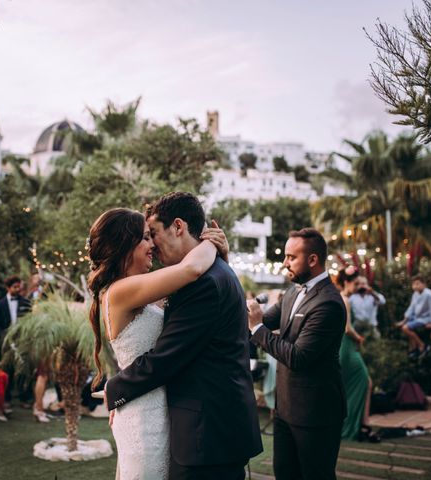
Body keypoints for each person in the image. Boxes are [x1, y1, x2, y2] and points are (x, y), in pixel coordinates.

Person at [102, 193, 263, 480]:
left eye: (153, 234)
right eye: (144, 238)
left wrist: (115, 389)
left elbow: (167, 357)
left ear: (178, 227)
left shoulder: (203, 283)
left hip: (208, 433)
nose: (151, 244)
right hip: (195, 426)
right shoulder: (209, 273)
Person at [247, 228, 346, 480]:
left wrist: (256, 328)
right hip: (285, 409)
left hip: (316, 412)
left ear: (312, 260)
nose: (284, 263)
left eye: (291, 257)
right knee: (285, 473)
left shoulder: (329, 303)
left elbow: (298, 357)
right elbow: (264, 322)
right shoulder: (292, 292)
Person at [335, 267, 379, 443]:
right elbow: (347, 328)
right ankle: (360, 425)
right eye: (356, 283)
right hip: (347, 347)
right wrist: (359, 338)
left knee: (356, 384)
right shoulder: (345, 299)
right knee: (365, 381)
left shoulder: (338, 297)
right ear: (346, 282)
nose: (358, 286)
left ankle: (361, 424)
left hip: (343, 347)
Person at [0, 276, 32, 413]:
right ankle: (7, 399)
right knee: (7, 369)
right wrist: (3, 338)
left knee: (23, 369)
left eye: (19, 287)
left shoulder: (26, 302)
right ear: (8, 288)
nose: (18, 289)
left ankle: (24, 398)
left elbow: (30, 321)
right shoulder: (1, 303)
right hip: (6, 342)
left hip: (22, 340)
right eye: (15, 287)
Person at [396, 275, 431, 357]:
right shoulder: (415, 294)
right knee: (406, 328)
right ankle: (413, 349)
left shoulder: (429, 294)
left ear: (424, 284)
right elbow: (411, 307)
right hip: (416, 317)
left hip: (425, 318)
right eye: (414, 284)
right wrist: (405, 319)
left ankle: (421, 344)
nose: (415, 286)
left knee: (405, 328)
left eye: (417, 284)